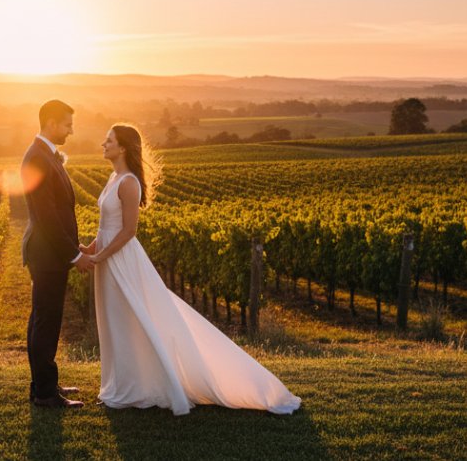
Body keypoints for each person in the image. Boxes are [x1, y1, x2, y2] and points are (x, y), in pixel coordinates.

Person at [81, 123, 302, 416]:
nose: (103, 144)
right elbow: (106, 228)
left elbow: (128, 231)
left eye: (108, 141)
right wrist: (89, 249)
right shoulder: (113, 177)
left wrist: (100, 257)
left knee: (130, 318)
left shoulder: (129, 182)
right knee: (114, 320)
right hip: (108, 257)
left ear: (122, 147)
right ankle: (121, 386)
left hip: (121, 260)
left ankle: (134, 388)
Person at [20, 99, 94, 408]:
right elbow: (48, 216)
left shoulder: (45, 155)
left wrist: (72, 247)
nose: (71, 130)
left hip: (50, 252)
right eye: (67, 124)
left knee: (43, 319)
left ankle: (43, 385)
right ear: (51, 123)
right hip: (47, 254)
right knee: (46, 321)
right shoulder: (38, 158)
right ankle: (46, 394)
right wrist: (74, 256)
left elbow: (57, 213)